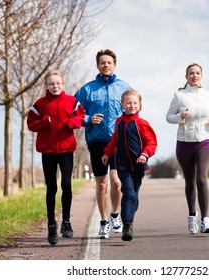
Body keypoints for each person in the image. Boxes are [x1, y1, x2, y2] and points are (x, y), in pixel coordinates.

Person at [75, 49, 131, 239]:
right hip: (97, 140)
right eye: (102, 62)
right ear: (97, 65)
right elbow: (73, 114)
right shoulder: (87, 90)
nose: (105, 65)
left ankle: (116, 215)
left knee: (116, 182)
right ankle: (104, 221)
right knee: (101, 185)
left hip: (118, 140)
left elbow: (133, 109)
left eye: (109, 62)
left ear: (114, 65)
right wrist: (89, 118)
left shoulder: (124, 87)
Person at [27, 70, 85, 246]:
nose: (55, 86)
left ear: (63, 84)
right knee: (51, 187)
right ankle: (51, 224)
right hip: (48, 151)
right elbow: (31, 124)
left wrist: (73, 123)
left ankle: (66, 222)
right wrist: (44, 122)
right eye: (52, 84)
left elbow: (81, 116)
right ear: (46, 86)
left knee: (66, 185)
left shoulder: (72, 101)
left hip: (67, 149)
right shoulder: (40, 104)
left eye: (58, 83)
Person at [166, 63, 209, 234]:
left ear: (201, 76)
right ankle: (192, 216)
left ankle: (206, 221)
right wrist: (180, 116)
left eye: (198, 73)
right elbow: (168, 117)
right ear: (186, 77)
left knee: (201, 179)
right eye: (191, 73)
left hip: (204, 140)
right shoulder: (179, 96)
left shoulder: (208, 95)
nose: (195, 76)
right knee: (190, 182)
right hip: (185, 142)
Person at [102, 89, 157, 241]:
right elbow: (114, 140)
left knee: (134, 196)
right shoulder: (119, 122)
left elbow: (151, 142)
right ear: (122, 105)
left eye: (134, 103)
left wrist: (145, 155)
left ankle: (128, 217)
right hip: (123, 164)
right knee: (128, 193)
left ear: (139, 106)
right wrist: (107, 153)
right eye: (128, 103)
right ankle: (128, 225)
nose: (131, 105)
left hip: (138, 165)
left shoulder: (142, 123)